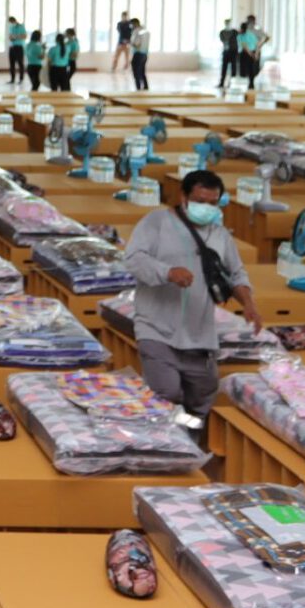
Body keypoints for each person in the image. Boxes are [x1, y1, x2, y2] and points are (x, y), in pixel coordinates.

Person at [118, 170, 264, 425]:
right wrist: (167, 272)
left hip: (199, 334)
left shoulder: (219, 235)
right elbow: (133, 259)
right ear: (183, 197)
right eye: (200, 201)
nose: (206, 208)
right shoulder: (156, 223)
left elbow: (236, 274)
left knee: (202, 397)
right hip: (156, 327)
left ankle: (189, 437)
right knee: (167, 392)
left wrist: (249, 304)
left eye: (212, 203)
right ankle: (167, 437)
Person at [49, 28, 78, 92]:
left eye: (66, 33)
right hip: (64, 66)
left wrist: (65, 57)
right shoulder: (67, 45)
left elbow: (75, 54)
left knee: (63, 83)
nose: (65, 34)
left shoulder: (73, 43)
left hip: (66, 64)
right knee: (65, 83)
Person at [218, 18, 240, 92]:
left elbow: (239, 39)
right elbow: (223, 40)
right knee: (224, 68)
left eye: (229, 23)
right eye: (226, 23)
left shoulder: (235, 32)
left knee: (233, 68)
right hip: (226, 51)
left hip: (234, 52)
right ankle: (222, 83)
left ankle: (232, 83)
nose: (228, 24)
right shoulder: (222, 32)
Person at [129, 21, 151, 92]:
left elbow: (137, 44)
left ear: (135, 24)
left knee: (136, 73)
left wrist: (130, 42)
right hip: (145, 54)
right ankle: (145, 88)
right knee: (142, 72)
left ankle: (138, 89)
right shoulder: (145, 31)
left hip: (138, 54)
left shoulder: (137, 32)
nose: (131, 27)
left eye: (131, 25)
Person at [6, 17, 27, 86]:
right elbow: (10, 36)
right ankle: (12, 79)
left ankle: (21, 79)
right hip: (12, 47)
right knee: (12, 64)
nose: (11, 23)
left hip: (19, 47)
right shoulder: (11, 27)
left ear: (14, 21)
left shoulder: (21, 27)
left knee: (20, 64)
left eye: (11, 22)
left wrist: (16, 37)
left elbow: (24, 36)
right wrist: (12, 37)